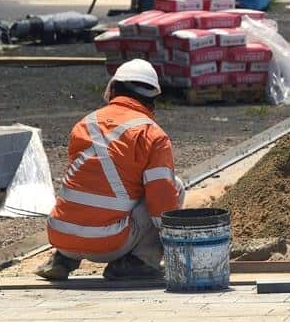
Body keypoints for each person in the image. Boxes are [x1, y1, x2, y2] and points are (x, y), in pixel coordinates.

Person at [35, 59, 184, 280]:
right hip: (111, 244)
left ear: (112, 89)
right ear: (153, 100)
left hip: (60, 234)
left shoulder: (84, 124)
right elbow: (163, 204)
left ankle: (63, 259)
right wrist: (176, 246)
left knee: (90, 189)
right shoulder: (152, 135)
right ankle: (138, 262)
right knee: (174, 187)